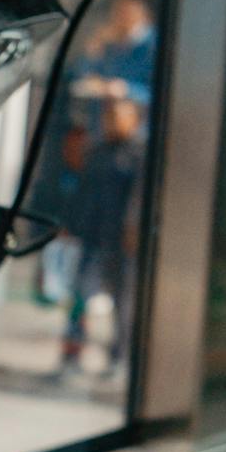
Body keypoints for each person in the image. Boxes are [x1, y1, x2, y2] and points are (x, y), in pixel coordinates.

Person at [57, 93, 145, 377]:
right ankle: (72, 353)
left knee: (124, 302)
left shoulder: (139, 156)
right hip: (92, 236)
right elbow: (81, 194)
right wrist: (70, 225)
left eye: (119, 115)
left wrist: (134, 228)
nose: (113, 121)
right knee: (79, 296)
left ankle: (120, 357)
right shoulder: (96, 153)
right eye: (109, 116)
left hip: (121, 240)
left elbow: (140, 199)